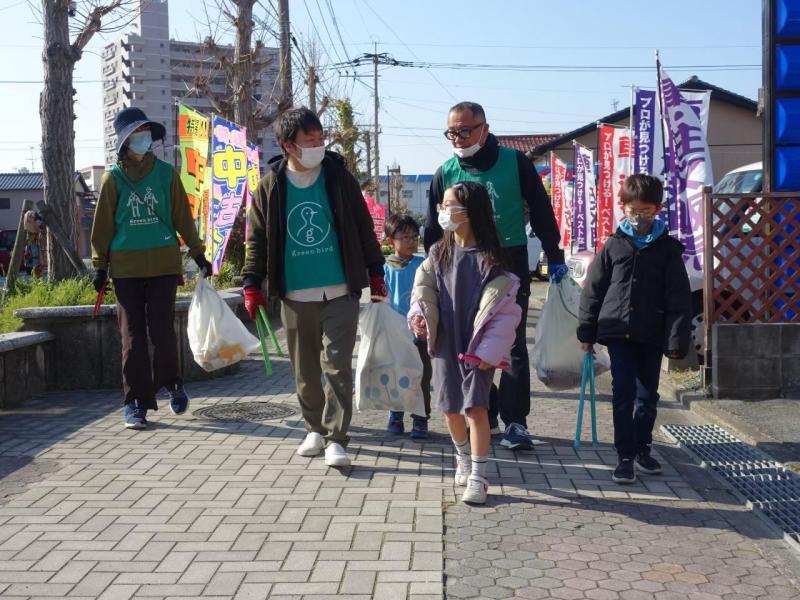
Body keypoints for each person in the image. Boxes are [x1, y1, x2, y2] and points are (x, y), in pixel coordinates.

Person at [241, 107, 386, 468]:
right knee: (304, 368)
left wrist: (375, 271)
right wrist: (251, 283)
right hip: (294, 292)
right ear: (289, 145)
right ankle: (314, 429)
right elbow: (256, 239)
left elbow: (362, 225)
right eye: (311, 141)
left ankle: (337, 437)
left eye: (321, 139)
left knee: (337, 365)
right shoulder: (271, 185)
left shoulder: (337, 177)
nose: (319, 146)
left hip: (340, 288)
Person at [424, 101, 566, 451]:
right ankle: (482, 409)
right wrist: (431, 270)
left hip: (507, 261)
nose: (457, 138)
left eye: (465, 130)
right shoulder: (446, 171)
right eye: (451, 132)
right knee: (466, 342)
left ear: (485, 128)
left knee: (510, 342)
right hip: (460, 264)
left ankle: (516, 420)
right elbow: (432, 226)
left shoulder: (513, 163)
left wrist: (555, 254)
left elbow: (543, 211)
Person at [91, 107, 212, 430]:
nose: (143, 137)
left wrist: (199, 254)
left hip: (162, 265)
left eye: (146, 131)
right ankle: (135, 402)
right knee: (131, 338)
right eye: (137, 133)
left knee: (162, 333)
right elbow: (102, 227)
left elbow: (182, 218)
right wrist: (99, 267)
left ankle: (173, 383)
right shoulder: (112, 179)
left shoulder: (166, 174)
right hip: (126, 269)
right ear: (125, 140)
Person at [409, 181, 522, 504]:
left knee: (476, 409)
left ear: (470, 212)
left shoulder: (493, 260)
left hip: (477, 348)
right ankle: (461, 457)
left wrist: (490, 351)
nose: (443, 212)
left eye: (449, 206)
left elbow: (505, 312)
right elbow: (423, 292)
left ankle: (479, 475)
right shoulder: (438, 252)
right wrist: (419, 316)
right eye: (442, 206)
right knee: (449, 407)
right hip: (444, 341)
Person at [577, 174, 691, 484]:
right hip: (617, 330)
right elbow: (593, 290)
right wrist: (586, 333)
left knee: (647, 396)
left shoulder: (668, 249)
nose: (639, 216)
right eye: (633, 209)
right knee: (622, 393)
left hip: (652, 333)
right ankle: (624, 455)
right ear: (622, 207)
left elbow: (678, 297)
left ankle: (643, 448)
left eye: (646, 211)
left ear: (659, 209)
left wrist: (676, 338)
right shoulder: (613, 244)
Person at [382, 214, 432, 439]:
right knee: (396, 374)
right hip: (395, 332)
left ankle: (421, 418)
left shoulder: (423, 264)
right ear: (390, 241)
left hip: (421, 331)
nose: (411, 241)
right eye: (405, 237)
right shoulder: (384, 269)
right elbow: (378, 298)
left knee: (421, 374)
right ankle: (396, 413)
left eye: (414, 236)